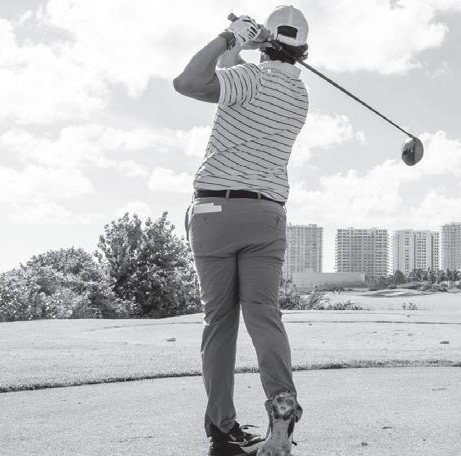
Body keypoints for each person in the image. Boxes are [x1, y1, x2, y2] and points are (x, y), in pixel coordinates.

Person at [172, 6, 309, 456]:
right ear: (302, 50)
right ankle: (282, 404)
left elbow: (187, 83)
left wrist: (230, 36)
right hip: (266, 215)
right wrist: (247, 45)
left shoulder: (248, 79)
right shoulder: (299, 94)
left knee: (220, 323)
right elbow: (236, 74)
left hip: (215, 211)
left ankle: (222, 431)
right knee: (263, 314)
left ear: (267, 44)